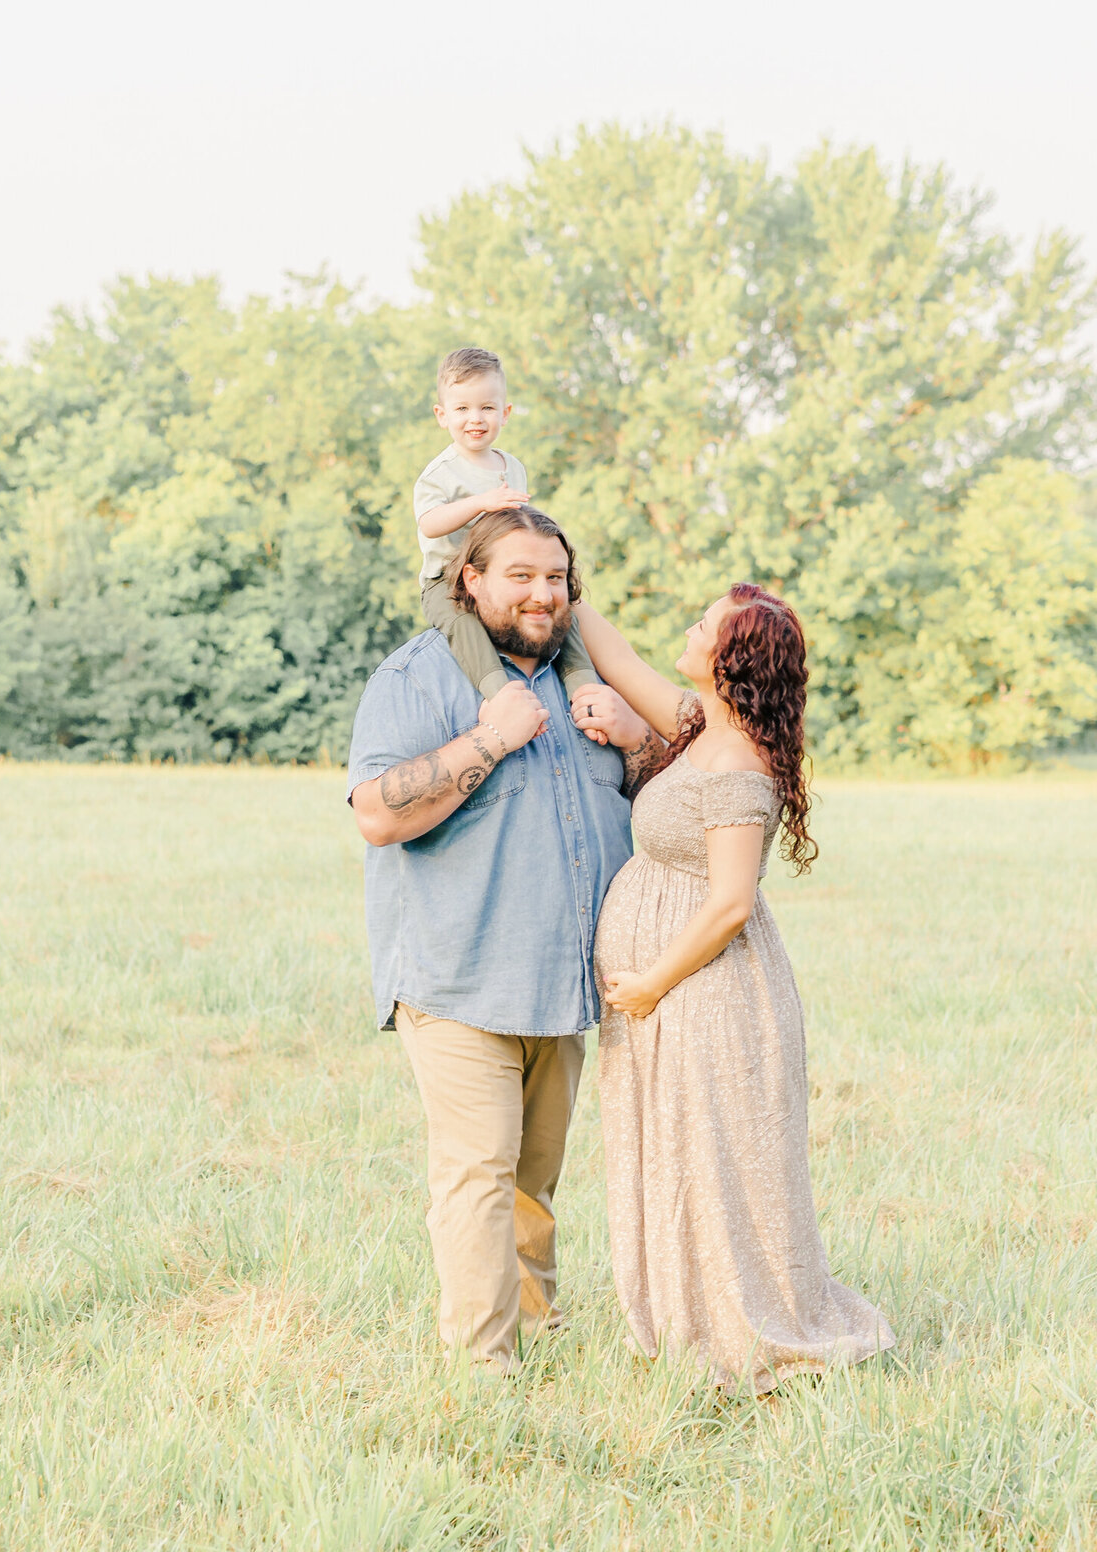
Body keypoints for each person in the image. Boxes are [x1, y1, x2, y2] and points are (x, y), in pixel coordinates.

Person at [347, 506, 658, 1374]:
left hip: (565, 985)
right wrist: (489, 738)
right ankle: (485, 1371)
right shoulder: (416, 678)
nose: (541, 593)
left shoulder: (592, 681)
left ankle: (540, 1330)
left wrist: (635, 739)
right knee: (480, 1172)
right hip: (458, 978)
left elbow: (666, 798)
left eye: (555, 577)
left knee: (533, 1180)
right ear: (469, 581)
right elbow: (376, 815)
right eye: (518, 575)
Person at [571, 584, 896, 1391]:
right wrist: (555, 573)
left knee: (712, 1158)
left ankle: (734, 1325)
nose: (688, 627)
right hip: (670, 993)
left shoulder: (740, 765)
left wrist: (649, 982)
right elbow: (617, 656)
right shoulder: (696, 724)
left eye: (703, 625)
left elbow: (728, 904)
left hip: (705, 993)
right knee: (675, 1148)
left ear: (731, 660)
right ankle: (684, 1314)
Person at [414, 346, 598, 709]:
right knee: (463, 624)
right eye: (462, 408)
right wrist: (480, 503)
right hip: (447, 580)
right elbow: (430, 523)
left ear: (505, 413)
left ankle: (583, 685)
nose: (475, 418)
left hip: (505, 574)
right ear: (442, 415)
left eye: (487, 407)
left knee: (563, 613)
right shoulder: (440, 474)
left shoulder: (511, 465)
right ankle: (500, 694)